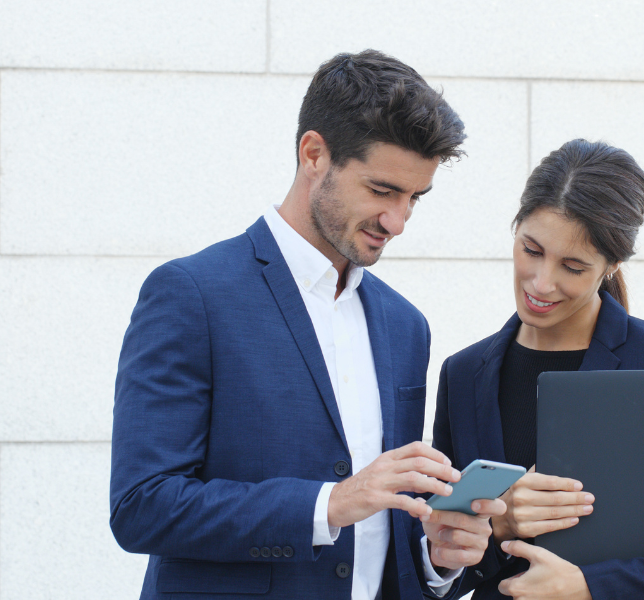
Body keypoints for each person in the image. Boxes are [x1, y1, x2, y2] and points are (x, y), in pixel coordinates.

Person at [110, 49, 505, 600]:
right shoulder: (192, 294)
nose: (398, 222)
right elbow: (142, 507)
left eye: (414, 198)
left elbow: (377, 533)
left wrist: (435, 557)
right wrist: (330, 503)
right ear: (314, 154)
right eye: (382, 190)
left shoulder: (404, 325)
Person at [431, 139, 644, 599]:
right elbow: (443, 571)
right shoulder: (464, 373)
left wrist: (589, 587)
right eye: (531, 249)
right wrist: (495, 518)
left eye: (572, 266)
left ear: (611, 266)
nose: (542, 282)